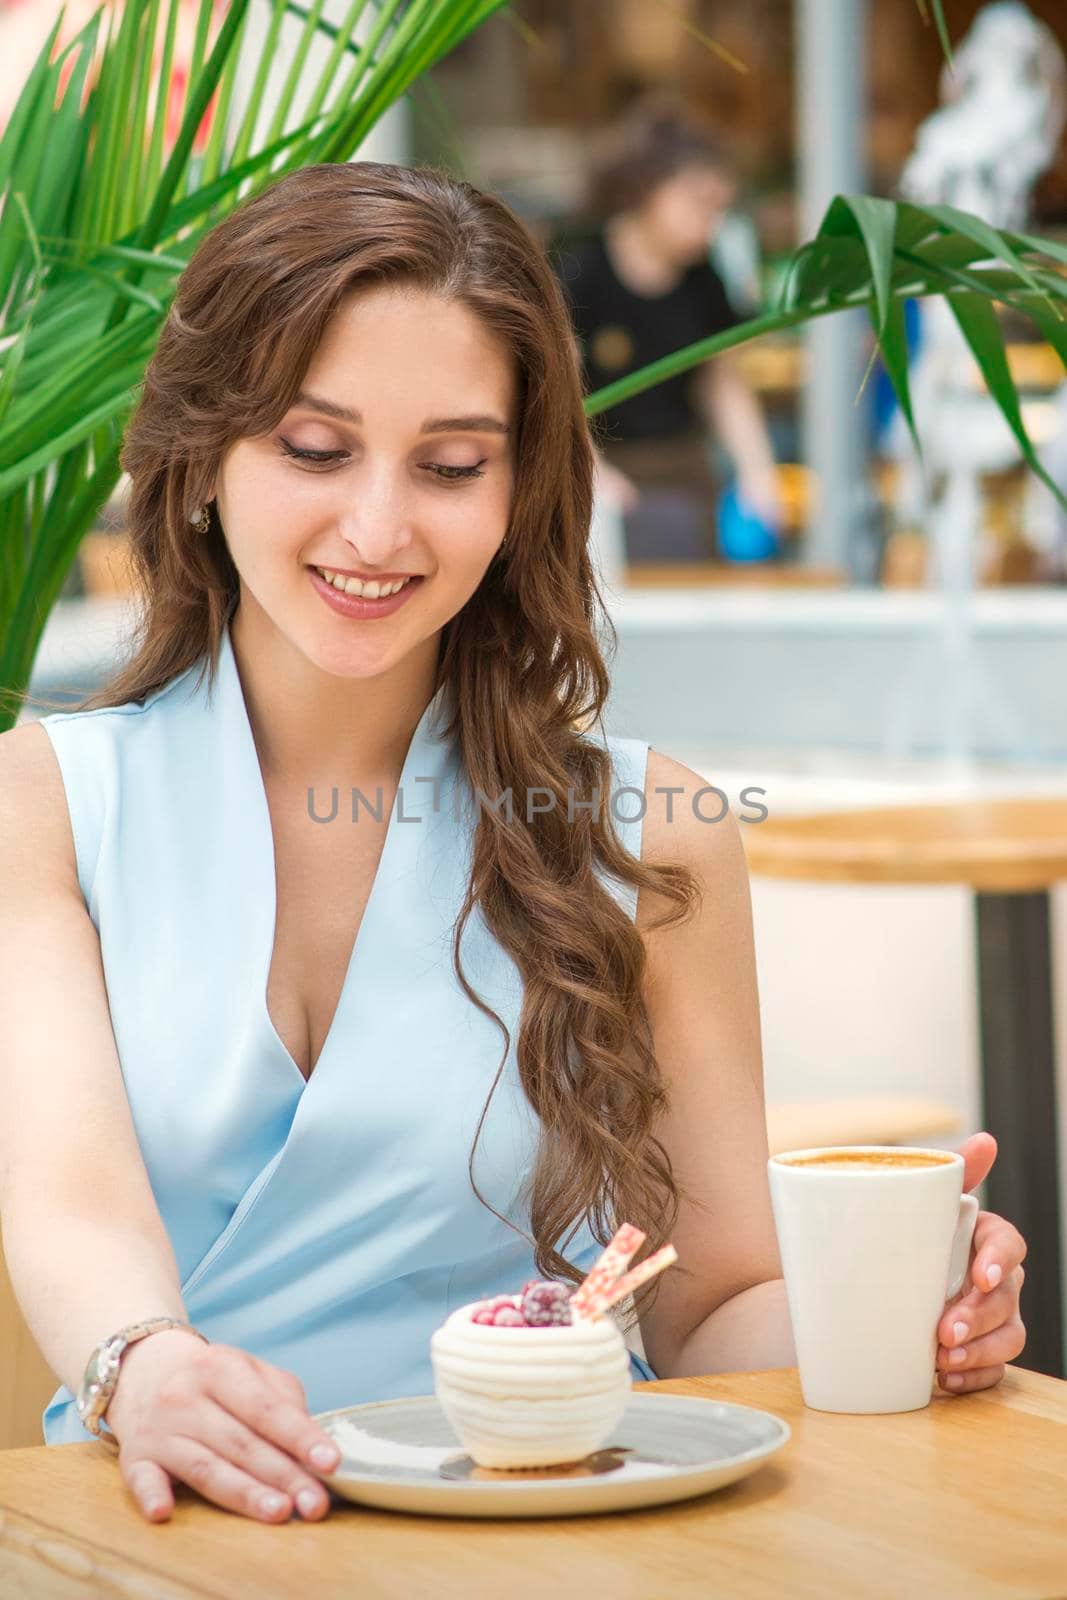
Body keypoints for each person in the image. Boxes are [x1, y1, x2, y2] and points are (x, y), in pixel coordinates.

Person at [0, 161, 1026, 1528]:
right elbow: (67, 1201)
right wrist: (145, 1362)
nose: (376, 528)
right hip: (163, 1518)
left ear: (519, 487)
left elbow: (717, 1308)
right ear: (200, 454)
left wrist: (895, 1297)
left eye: (450, 465)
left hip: (533, 1536)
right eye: (313, 449)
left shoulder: (651, 833)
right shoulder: (46, 798)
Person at [552, 97, 783, 563]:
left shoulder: (705, 279)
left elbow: (721, 382)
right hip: (600, 480)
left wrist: (758, 470)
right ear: (647, 190)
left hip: (684, 475)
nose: (709, 223)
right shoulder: (581, 271)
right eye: (698, 203)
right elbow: (559, 391)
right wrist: (590, 472)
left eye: (718, 208)